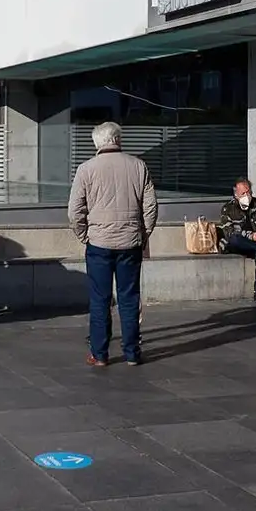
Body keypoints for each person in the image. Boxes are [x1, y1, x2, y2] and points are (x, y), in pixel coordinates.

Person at [69, 121, 158, 367]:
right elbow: (150, 206)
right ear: (118, 139)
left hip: (99, 243)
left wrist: (84, 235)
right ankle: (132, 353)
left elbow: (75, 210)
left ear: (96, 143)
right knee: (129, 298)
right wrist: (144, 233)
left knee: (100, 299)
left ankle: (99, 354)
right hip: (130, 241)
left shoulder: (86, 169)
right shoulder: (138, 166)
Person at [218, 178, 256, 303]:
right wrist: (250, 235)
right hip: (238, 243)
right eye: (243, 194)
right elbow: (229, 232)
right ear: (236, 195)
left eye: (248, 192)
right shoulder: (228, 208)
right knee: (234, 239)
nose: (247, 196)